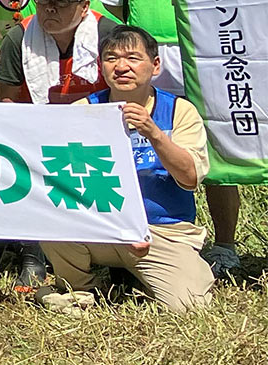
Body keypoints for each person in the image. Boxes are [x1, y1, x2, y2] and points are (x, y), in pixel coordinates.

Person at [90, 0, 234, 275]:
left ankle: (224, 243)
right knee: (139, 140)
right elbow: (117, 11)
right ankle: (139, 230)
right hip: (147, 56)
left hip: (203, 53)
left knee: (214, 147)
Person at [40, 25, 216, 313]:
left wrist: (155, 134)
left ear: (155, 65)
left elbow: (190, 177)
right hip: (101, 228)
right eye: (111, 58)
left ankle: (137, 276)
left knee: (189, 307)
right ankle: (84, 287)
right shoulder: (84, 110)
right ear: (101, 67)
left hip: (162, 231)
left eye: (133, 58)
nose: (121, 67)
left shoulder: (178, 111)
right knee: (50, 217)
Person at [0, 0, 117, 104]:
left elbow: (129, 90)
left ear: (84, 7)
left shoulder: (108, 35)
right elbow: (6, 100)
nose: (50, 8)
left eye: (61, 1)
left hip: (97, 117)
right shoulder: (19, 38)